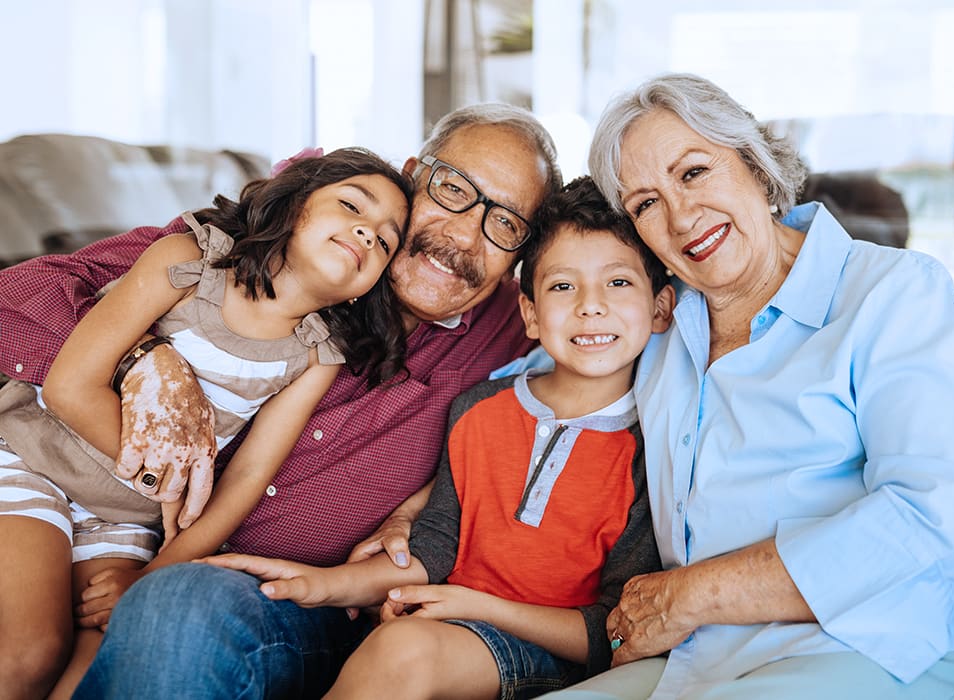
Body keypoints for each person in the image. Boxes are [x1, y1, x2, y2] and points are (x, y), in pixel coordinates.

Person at [0, 102, 563, 698]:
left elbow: (604, 312)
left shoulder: (516, 325)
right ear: (412, 175)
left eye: (505, 224)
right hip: (112, 505)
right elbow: (19, 297)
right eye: (454, 190)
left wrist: (423, 502)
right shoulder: (250, 249)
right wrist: (144, 353)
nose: (462, 234)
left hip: (284, 598)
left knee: (176, 607)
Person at [541, 73, 954, 699]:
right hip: (712, 658)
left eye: (693, 172)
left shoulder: (893, 294)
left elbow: (935, 516)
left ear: (754, 163)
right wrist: (413, 503)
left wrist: (691, 594)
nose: (680, 215)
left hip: (904, 646)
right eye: (645, 203)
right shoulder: (659, 324)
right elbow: (536, 373)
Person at [200, 175, 673, 700]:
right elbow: (435, 548)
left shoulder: (653, 448)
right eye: (563, 286)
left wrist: (472, 607)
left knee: (403, 652)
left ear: (661, 308)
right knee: (395, 645)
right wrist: (318, 585)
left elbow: (616, 629)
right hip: (438, 623)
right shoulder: (477, 409)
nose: (591, 305)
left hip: (549, 652)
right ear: (530, 314)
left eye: (619, 283)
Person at [0, 147, 412, 699]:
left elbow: (244, 481)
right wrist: (168, 483)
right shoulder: (190, 262)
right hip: (37, 460)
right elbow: (69, 388)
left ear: (368, 286)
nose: (367, 233)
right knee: (30, 651)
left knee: (89, 673)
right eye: (351, 207)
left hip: (125, 521)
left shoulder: (318, 356)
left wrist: (151, 580)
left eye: (385, 241)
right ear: (292, 205)